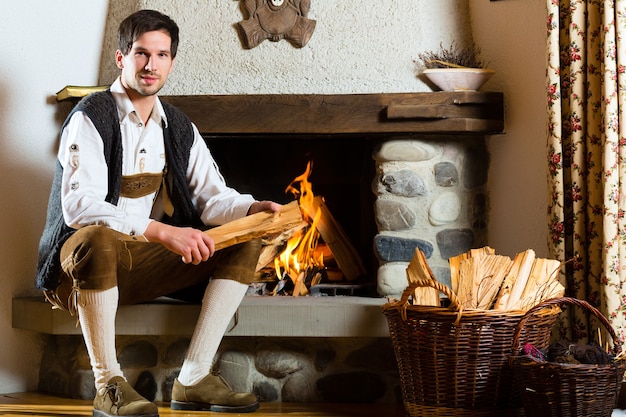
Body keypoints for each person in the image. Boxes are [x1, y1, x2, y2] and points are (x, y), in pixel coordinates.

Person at [35, 9, 280, 417]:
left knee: (243, 239)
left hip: (137, 265)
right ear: (121, 58)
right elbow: (80, 208)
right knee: (98, 236)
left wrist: (252, 207)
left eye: (162, 55)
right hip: (74, 274)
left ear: (172, 61)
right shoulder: (89, 117)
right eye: (141, 54)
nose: (151, 65)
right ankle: (108, 384)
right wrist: (164, 232)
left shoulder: (179, 128)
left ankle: (195, 378)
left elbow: (213, 198)